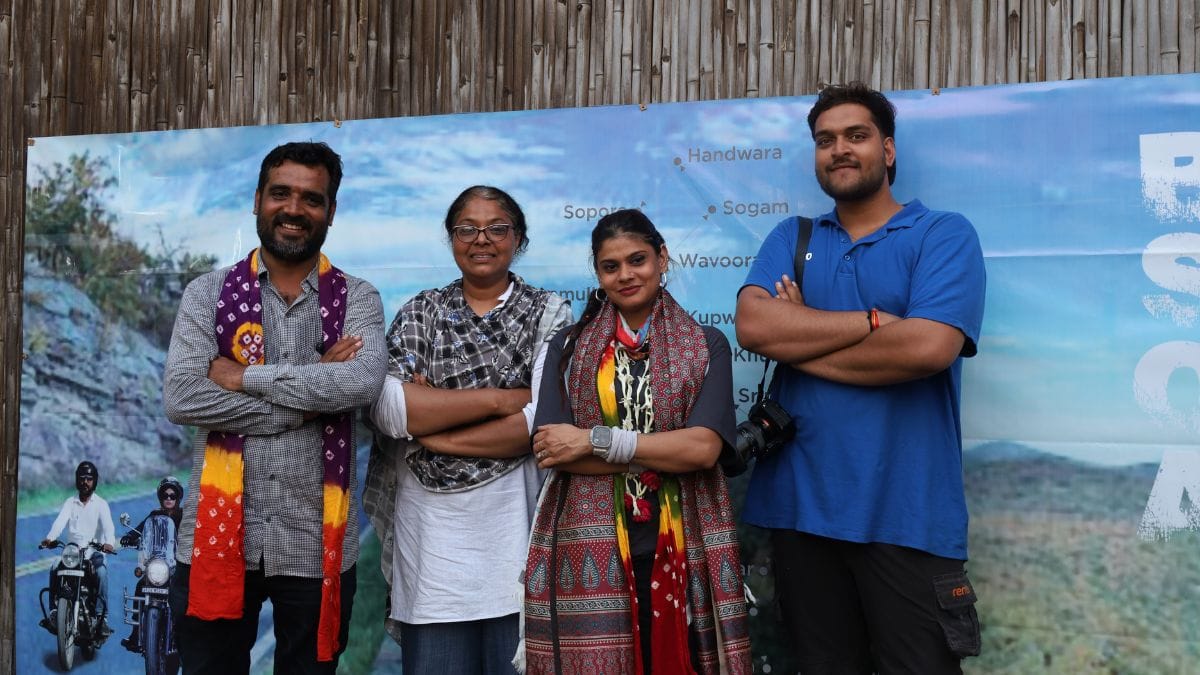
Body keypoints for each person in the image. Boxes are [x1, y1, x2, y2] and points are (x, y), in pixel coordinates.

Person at [735, 82, 987, 673]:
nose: (839, 149)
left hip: (908, 514)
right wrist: (874, 323)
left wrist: (801, 335)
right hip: (802, 511)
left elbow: (927, 347)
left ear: (889, 150)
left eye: (856, 135)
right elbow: (753, 324)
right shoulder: (793, 238)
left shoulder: (942, 235)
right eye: (826, 140)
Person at [163, 141, 386, 674]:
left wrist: (243, 377)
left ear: (331, 211)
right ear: (258, 199)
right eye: (280, 193)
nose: (293, 209)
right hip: (216, 545)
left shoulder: (358, 297)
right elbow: (183, 396)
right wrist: (309, 401)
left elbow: (359, 383)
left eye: (311, 199)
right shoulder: (207, 293)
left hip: (316, 547)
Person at [520, 209, 752, 673]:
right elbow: (553, 450)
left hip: (684, 549)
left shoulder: (707, 345)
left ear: (662, 258)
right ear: (598, 273)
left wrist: (592, 440)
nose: (626, 275)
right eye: (611, 266)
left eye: (638, 259)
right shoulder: (566, 348)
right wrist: (663, 450)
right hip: (589, 554)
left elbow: (703, 449)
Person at [363, 185, 570, 674]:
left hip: (513, 540)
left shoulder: (548, 313)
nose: (482, 239)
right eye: (467, 229)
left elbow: (539, 423)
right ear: (451, 237)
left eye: (497, 228)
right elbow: (391, 411)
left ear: (518, 239)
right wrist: (502, 398)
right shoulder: (421, 311)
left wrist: (435, 427)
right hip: (430, 550)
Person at [41, 460, 117, 636]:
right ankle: (54, 611)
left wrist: (109, 543)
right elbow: (59, 522)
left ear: (94, 481)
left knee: (102, 572)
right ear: (77, 480)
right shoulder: (70, 502)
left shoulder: (101, 504)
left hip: (93, 552)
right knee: (54, 566)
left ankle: (101, 617)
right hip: (72, 553)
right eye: (82, 478)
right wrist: (50, 538)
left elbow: (109, 528)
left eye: (89, 479)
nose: (85, 482)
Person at [120, 476, 184, 651]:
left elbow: (194, 534)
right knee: (140, 587)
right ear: (161, 497)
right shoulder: (154, 515)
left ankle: (186, 635)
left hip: (176, 564)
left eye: (172, 495)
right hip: (156, 564)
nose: (169, 498)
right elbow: (141, 529)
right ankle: (136, 633)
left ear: (178, 497)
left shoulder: (184, 516)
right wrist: (130, 537)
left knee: (187, 592)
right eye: (165, 495)